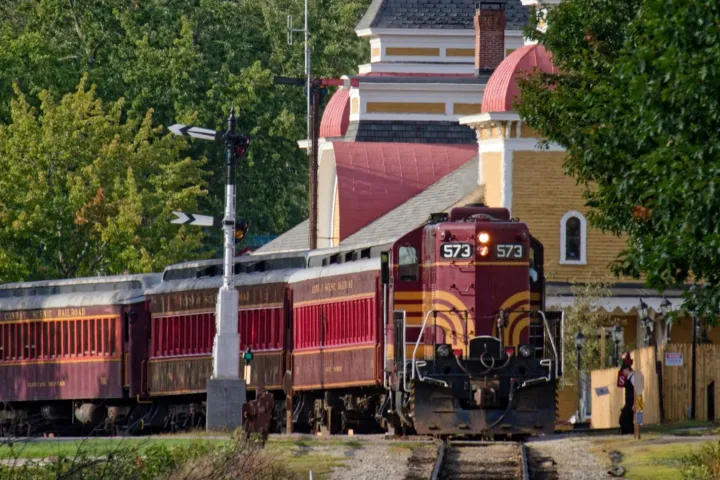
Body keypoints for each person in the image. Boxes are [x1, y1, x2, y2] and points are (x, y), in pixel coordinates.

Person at [618, 353, 635, 435]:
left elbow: (638, 391)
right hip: (628, 403)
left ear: (627, 369)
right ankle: (626, 434)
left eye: (623, 370)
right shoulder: (628, 378)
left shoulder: (633, 377)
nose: (623, 372)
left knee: (626, 420)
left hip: (632, 403)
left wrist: (636, 404)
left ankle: (630, 434)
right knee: (622, 420)